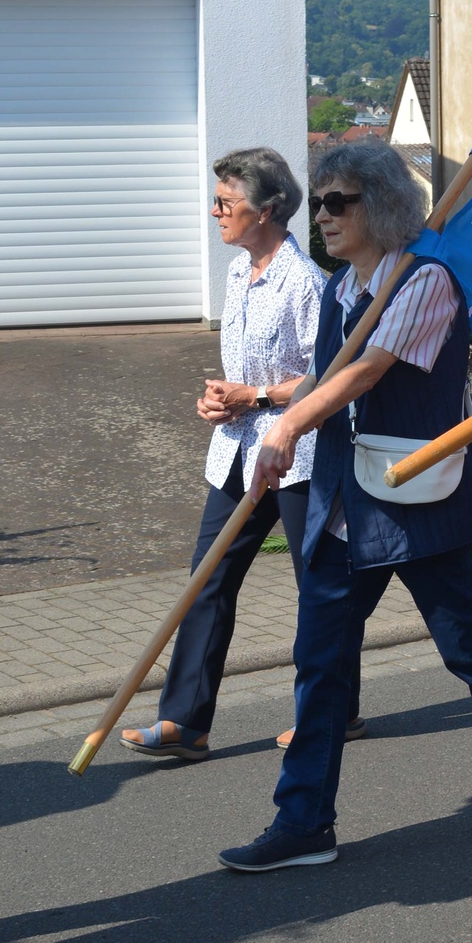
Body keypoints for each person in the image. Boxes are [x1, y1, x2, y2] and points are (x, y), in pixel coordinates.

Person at [217, 140, 472, 873]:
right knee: (320, 658)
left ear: (381, 206)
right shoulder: (345, 289)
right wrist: (264, 413)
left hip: (414, 494)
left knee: (466, 644)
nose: (326, 218)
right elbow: (320, 376)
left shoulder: (425, 283)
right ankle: (304, 819)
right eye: (322, 203)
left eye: (340, 203)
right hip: (346, 500)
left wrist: (287, 424)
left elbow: (367, 373)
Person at [119, 148, 361, 763]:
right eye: (217, 199)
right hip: (236, 453)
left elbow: (328, 375)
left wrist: (254, 395)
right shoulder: (236, 273)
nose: (215, 212)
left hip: (297, 453)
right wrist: (223, 402)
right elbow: (246, 372)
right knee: (208, 578)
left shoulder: (307, 282)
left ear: (269, 210)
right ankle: (185, 722)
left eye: (227, 202)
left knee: (320, 589)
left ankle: (332, 711)